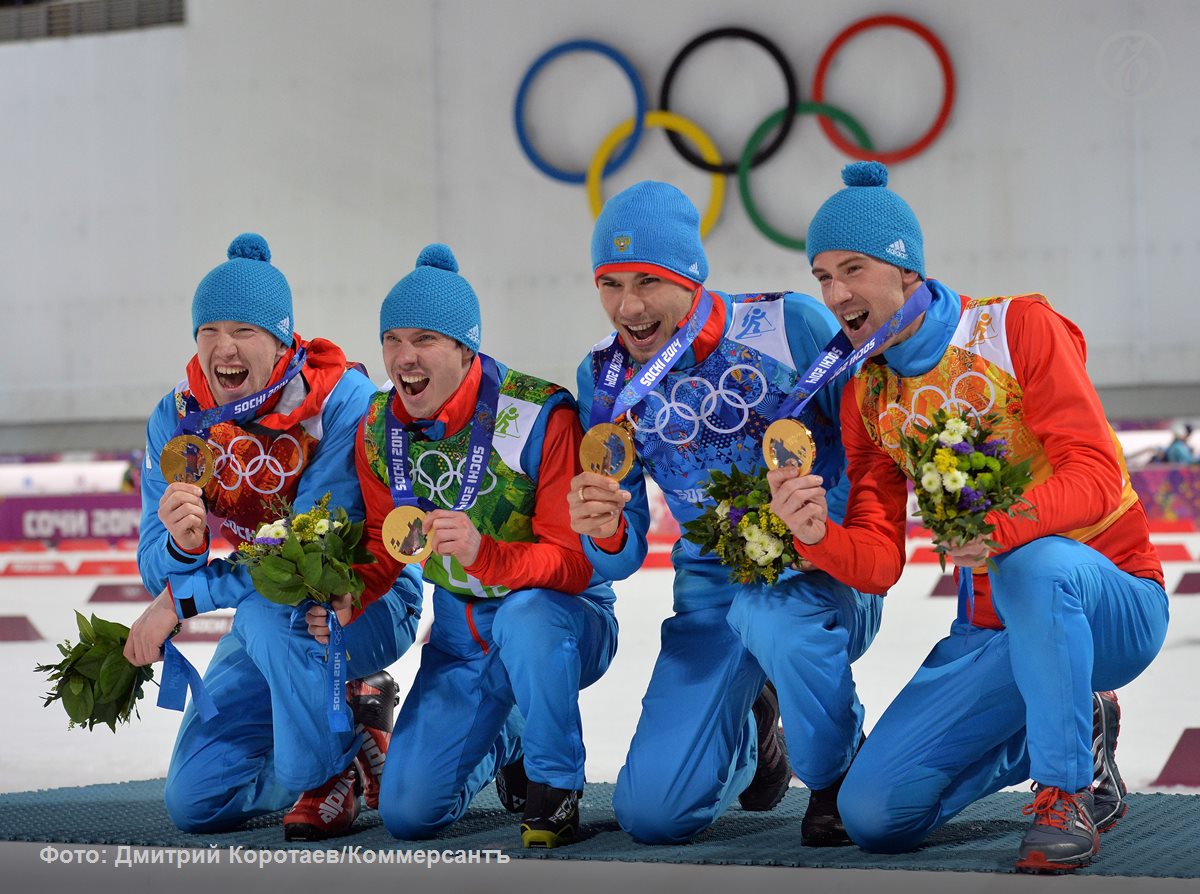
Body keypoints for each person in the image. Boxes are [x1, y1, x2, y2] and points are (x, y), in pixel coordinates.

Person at [768, 162, 1169, 872]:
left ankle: (1066, 792)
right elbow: (882, 562)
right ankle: (1077, 719)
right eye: (822, 277)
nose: (835, 295)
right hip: (991, 632)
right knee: (874, 816)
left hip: (1111, 599)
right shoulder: (868, 393)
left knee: (1035, 563)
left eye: (851, 270)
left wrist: (1004, 529)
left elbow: (1098, 477)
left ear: (904, 267)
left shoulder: (1017, 328)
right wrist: (816, 535)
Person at [568, 181, 882, 846]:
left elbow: (865, 457)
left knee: (777, 623)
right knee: (652, 817)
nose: (628, 306)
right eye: (610, 283)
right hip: (711, 585)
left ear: (689, 276)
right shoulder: (603, 378)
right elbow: (619, 558)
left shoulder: (785, 324)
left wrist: (822, 522)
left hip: (816, 567)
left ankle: (834, 777)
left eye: (648, 281)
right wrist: (605, 528)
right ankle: (755, 732)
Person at [125, 233, 423, 840]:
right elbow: (155, 564)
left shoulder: (342, 401)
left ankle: (327, 770)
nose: (223, 348)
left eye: (244, 331)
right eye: (208, 330)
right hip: (269, 608)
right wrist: (181, 548)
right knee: (196, 802)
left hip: (363, 595)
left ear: (283, 338)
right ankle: (350, 722)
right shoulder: (179, 420)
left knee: (268, 618)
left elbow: (309, 556)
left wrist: (184, 600)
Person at [346, 243, 617, 848]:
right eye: (391, 339)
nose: (403, 358)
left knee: (525, 616)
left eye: (424, 340)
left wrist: (486, 554)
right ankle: (510, 735)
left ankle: (555, 781)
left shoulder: (537, 414)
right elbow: (386, 543)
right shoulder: (376, 425)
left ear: (466, 349)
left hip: (560, 621)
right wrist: (350, 592)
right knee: (408, 814)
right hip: (460, 637)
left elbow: (574, 565)